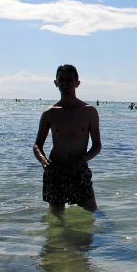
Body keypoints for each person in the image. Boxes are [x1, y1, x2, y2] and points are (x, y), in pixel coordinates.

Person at [33, 64, 101, 212]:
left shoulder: (89, 112)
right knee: (56, 219)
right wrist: (44, 162)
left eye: (69, 79)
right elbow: (37, 145)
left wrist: (82, 160)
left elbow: (97, 146)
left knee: (91, 213)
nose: (65, 83)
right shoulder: (49, 113)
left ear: (77, 83)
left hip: (79, 167)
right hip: (55, 170)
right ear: (56, 82)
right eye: (61, 79)